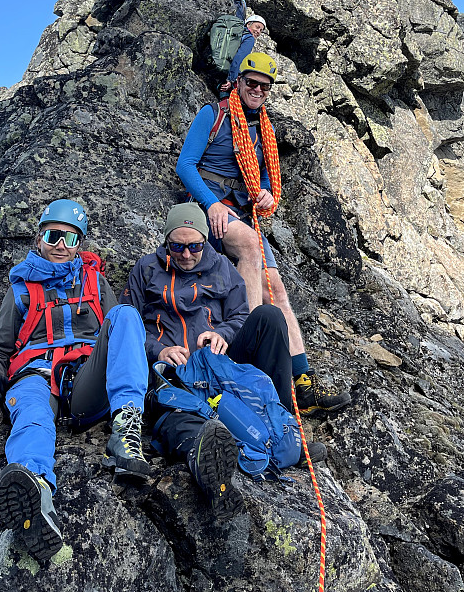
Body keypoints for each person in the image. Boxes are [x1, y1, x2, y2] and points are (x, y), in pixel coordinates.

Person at [176, 53, 351, 418]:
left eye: (263, 86)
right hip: (209, 207)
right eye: (251, 83)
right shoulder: (215, 114)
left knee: (280, 290)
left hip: (241, 209)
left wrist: (268, 191)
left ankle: (302, 381)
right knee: (252, 246)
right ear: (237, 82)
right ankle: (256, 345)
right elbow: (186, 164)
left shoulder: (263, 127)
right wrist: (211, 204)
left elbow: (266, 174)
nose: (256, 90)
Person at [0, 199, 151, 562]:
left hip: (85, 377)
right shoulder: (21, 289)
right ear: (39, 238)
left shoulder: (95, 281)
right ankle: (34, 490)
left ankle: (126, 432)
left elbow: (116, 335)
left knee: (126, 315)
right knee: (33, 416)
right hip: (36, 372)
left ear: (80, 245)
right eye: (53, 235)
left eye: (70, 239)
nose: (60, 244)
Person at [121, 203, 321, 516]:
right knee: (174, 416)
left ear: (205, 241)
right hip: (174, 375)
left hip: (221, 364)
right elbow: (126, 327)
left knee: (268, 316)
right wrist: (158, 351)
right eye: (177, 247)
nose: (186, 254)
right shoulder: (145, 271)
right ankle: (209, 464)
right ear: (165, 243)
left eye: (195, 247)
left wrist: (222, 335)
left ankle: (284, 428)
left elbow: (242, 314)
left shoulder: (223, 268)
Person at [225, 13, 268, 89]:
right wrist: (231, 79)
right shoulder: (249, 39)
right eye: (257, 27)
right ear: (248, 24)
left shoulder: (237, 32)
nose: (258, 31)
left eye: (261, 30)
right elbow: (239, 59)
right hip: (227, 74)